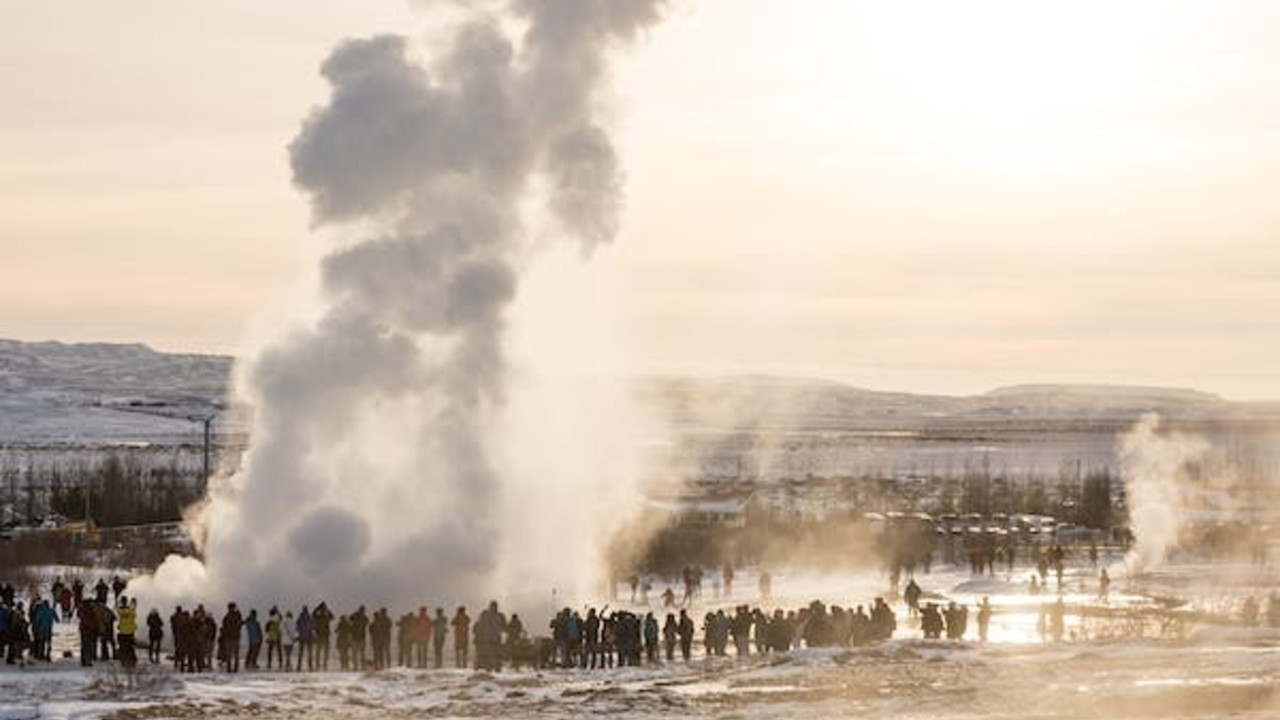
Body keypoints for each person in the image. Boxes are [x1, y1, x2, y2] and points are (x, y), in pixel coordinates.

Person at [117, 597, 138, 670]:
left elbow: (118, 609)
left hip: (122, 632)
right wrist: (134, 604)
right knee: (130, 648)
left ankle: (124, 661)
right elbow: (134, 614)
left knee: (123, 648)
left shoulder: (120, 611)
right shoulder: (130, 611)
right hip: (130, 632)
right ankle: (131, 661)